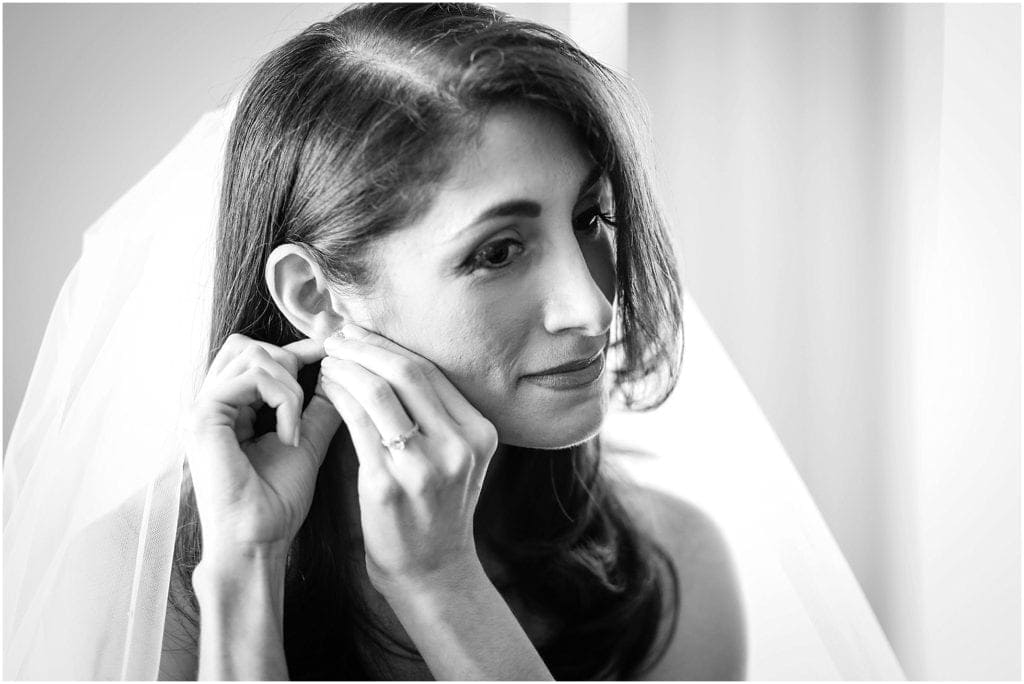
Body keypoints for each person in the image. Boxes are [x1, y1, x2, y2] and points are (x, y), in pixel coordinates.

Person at [158, 3, 746, 680]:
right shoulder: (138, 583)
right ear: (314, 296)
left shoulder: (670, 565)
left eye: (590, 217)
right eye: (497, 252)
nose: (591, 307)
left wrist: (442, 586)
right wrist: (244, 573)